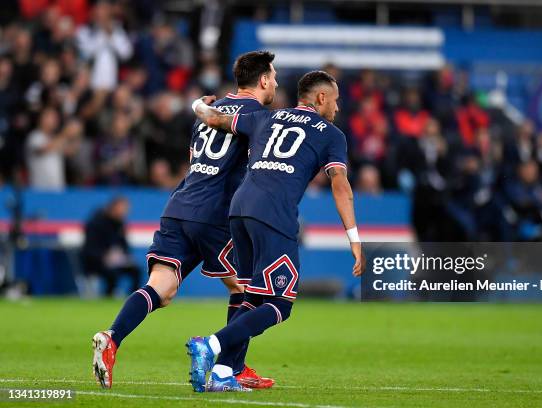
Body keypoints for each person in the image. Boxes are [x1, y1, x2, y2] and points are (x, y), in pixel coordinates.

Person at [91, 51, 278, 390]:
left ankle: (112, 337)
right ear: (263, 80)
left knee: (161, 287)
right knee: (248, 289)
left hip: (179, 205)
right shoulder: (259, 117)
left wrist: (196, 105)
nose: (276, 83)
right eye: (274, 77)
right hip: (216, 214)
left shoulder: (207, 110)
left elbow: (196, 158)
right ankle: (229, 369)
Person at [187, 70, 364, 392]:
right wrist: (354, 238)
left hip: (239, 210)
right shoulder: (331, 134)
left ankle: (224, 373)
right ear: (322, 98)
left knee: (252, 296)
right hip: (274, 213)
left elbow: (213, 119)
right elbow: (340, 185)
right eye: (335, 100)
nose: (337, 108)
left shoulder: (265, 117)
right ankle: (210, 345)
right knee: (280, 303)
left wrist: (197, 103)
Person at [81, 197, 140, 296]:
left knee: (136, 270)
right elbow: (90, 249)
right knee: (112, 273)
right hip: (96, 262)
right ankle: (109, 295)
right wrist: (105, 257)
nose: (125, 212)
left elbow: (124, 245)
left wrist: (125, 257)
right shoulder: (95, 223)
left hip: (115, 261)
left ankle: (134, 298)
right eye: (122, 209)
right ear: (113, 207)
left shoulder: (119, 224)